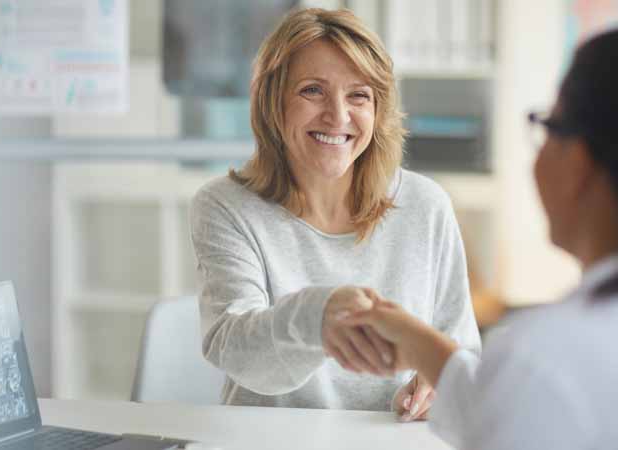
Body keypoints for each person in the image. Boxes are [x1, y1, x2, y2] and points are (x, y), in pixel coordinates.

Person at [339, 24, 618, 448]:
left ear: (578, 162)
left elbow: (524, 403)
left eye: (547, 126)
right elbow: (506, 406)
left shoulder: (545, 357)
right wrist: (419, 347)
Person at [189, 7, 480, 415]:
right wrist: (319, 318)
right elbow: (237, 351)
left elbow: (461, 353)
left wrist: (436, 384)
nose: (338, 116)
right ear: (273, 102)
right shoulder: (225, 207)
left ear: (378, 111)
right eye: (312, 90)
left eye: (358, 95)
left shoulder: (426, 205)